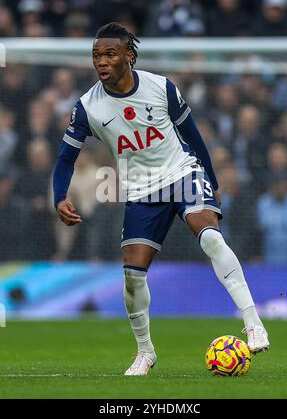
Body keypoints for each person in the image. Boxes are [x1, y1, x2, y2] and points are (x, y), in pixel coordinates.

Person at [52, 22, 269, 376]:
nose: (102, 62)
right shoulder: (88, 107)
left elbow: (193, 136)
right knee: (132, 277)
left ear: (129, 56)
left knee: (211, 237)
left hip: (181, 174)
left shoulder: (160, 87)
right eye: (96, 55)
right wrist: (59, 196)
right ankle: (145, 353)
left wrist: (210, 179)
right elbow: (64, 158)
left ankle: (252, 321)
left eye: (110, 54)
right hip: (140, 191)